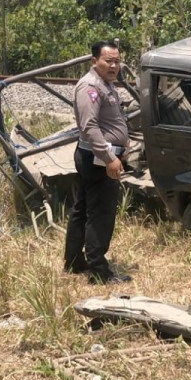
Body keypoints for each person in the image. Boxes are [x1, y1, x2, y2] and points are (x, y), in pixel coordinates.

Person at [64, 40, 132, 285]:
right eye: (108, 61)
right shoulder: (90, 86)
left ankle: (74, 262)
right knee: (100, 214)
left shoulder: (105, 84)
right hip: (97, 160)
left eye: (117, 61)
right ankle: (98, 271)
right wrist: (110, 157)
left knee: (82, 210)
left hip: (100, 156)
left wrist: (122, 145)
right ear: (95, 62)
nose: (114, 65)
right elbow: (89, 127)